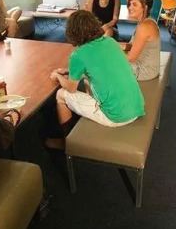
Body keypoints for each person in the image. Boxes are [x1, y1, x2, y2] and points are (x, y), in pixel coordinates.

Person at [46, 11, 145, 149]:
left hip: (116, 117)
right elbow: (100, 66)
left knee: (60, 94)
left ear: (72, 32)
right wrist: (69, 71)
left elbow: (71, 88)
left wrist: (58, 76)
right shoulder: (110, 42)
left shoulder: (78, 55)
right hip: (136, 107)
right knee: (88, 79)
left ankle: (67, 142)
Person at [124, 0, 160, 81]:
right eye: (130, 4)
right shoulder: (144, 21)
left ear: (145, 7)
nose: (130, 7)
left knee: (101, 65)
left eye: (134, 5)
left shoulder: (145, 26)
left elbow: (131, 58)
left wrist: (109, 54)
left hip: (143, 70)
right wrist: (111, 43)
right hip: (140, 64)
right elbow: (132, 45)